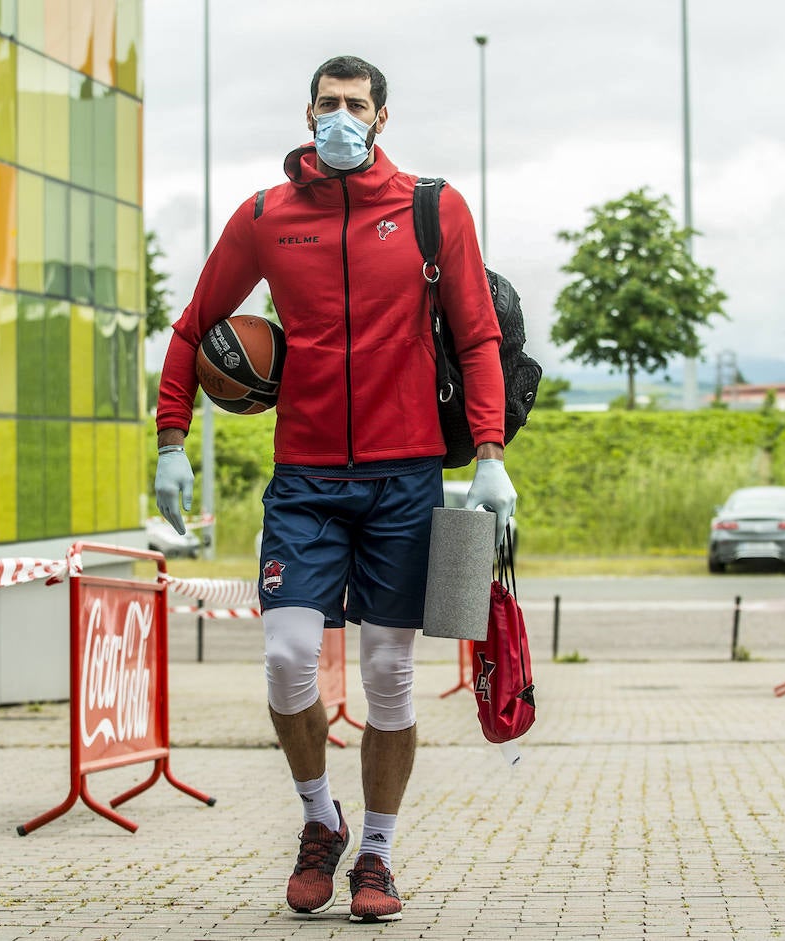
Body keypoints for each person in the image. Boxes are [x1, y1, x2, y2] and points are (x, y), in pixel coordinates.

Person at [154, 54, 516, 923]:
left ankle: (378, 856)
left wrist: (491, 453)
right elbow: (193, 323)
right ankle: (321, 818)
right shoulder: (267, 216)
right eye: (327, 104)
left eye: (356, 104)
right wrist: (171, 436)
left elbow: (476, 337)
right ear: (307, 111)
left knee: (389, 672)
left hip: (406, 477)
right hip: (306, 480)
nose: (340, 117)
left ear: (382, 116)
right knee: (285, 658)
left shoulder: (434, 209)